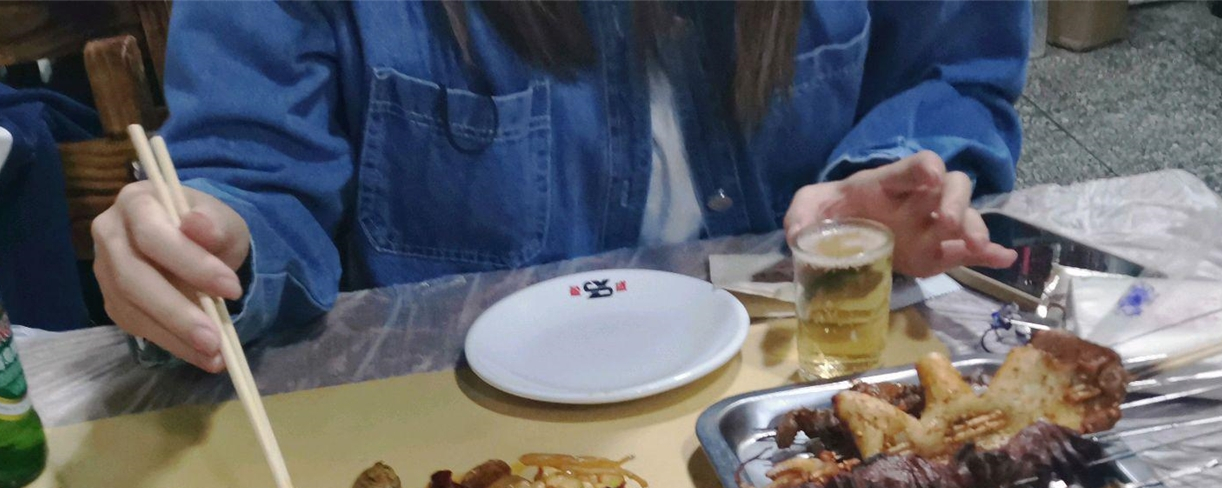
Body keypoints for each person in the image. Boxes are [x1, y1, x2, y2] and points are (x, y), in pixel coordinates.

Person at [94, 1, 1026, 374]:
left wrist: (887, 182)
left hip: (793, 374)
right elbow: (254, 177)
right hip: (463, 440)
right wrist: (210, 238)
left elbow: (953, 72)